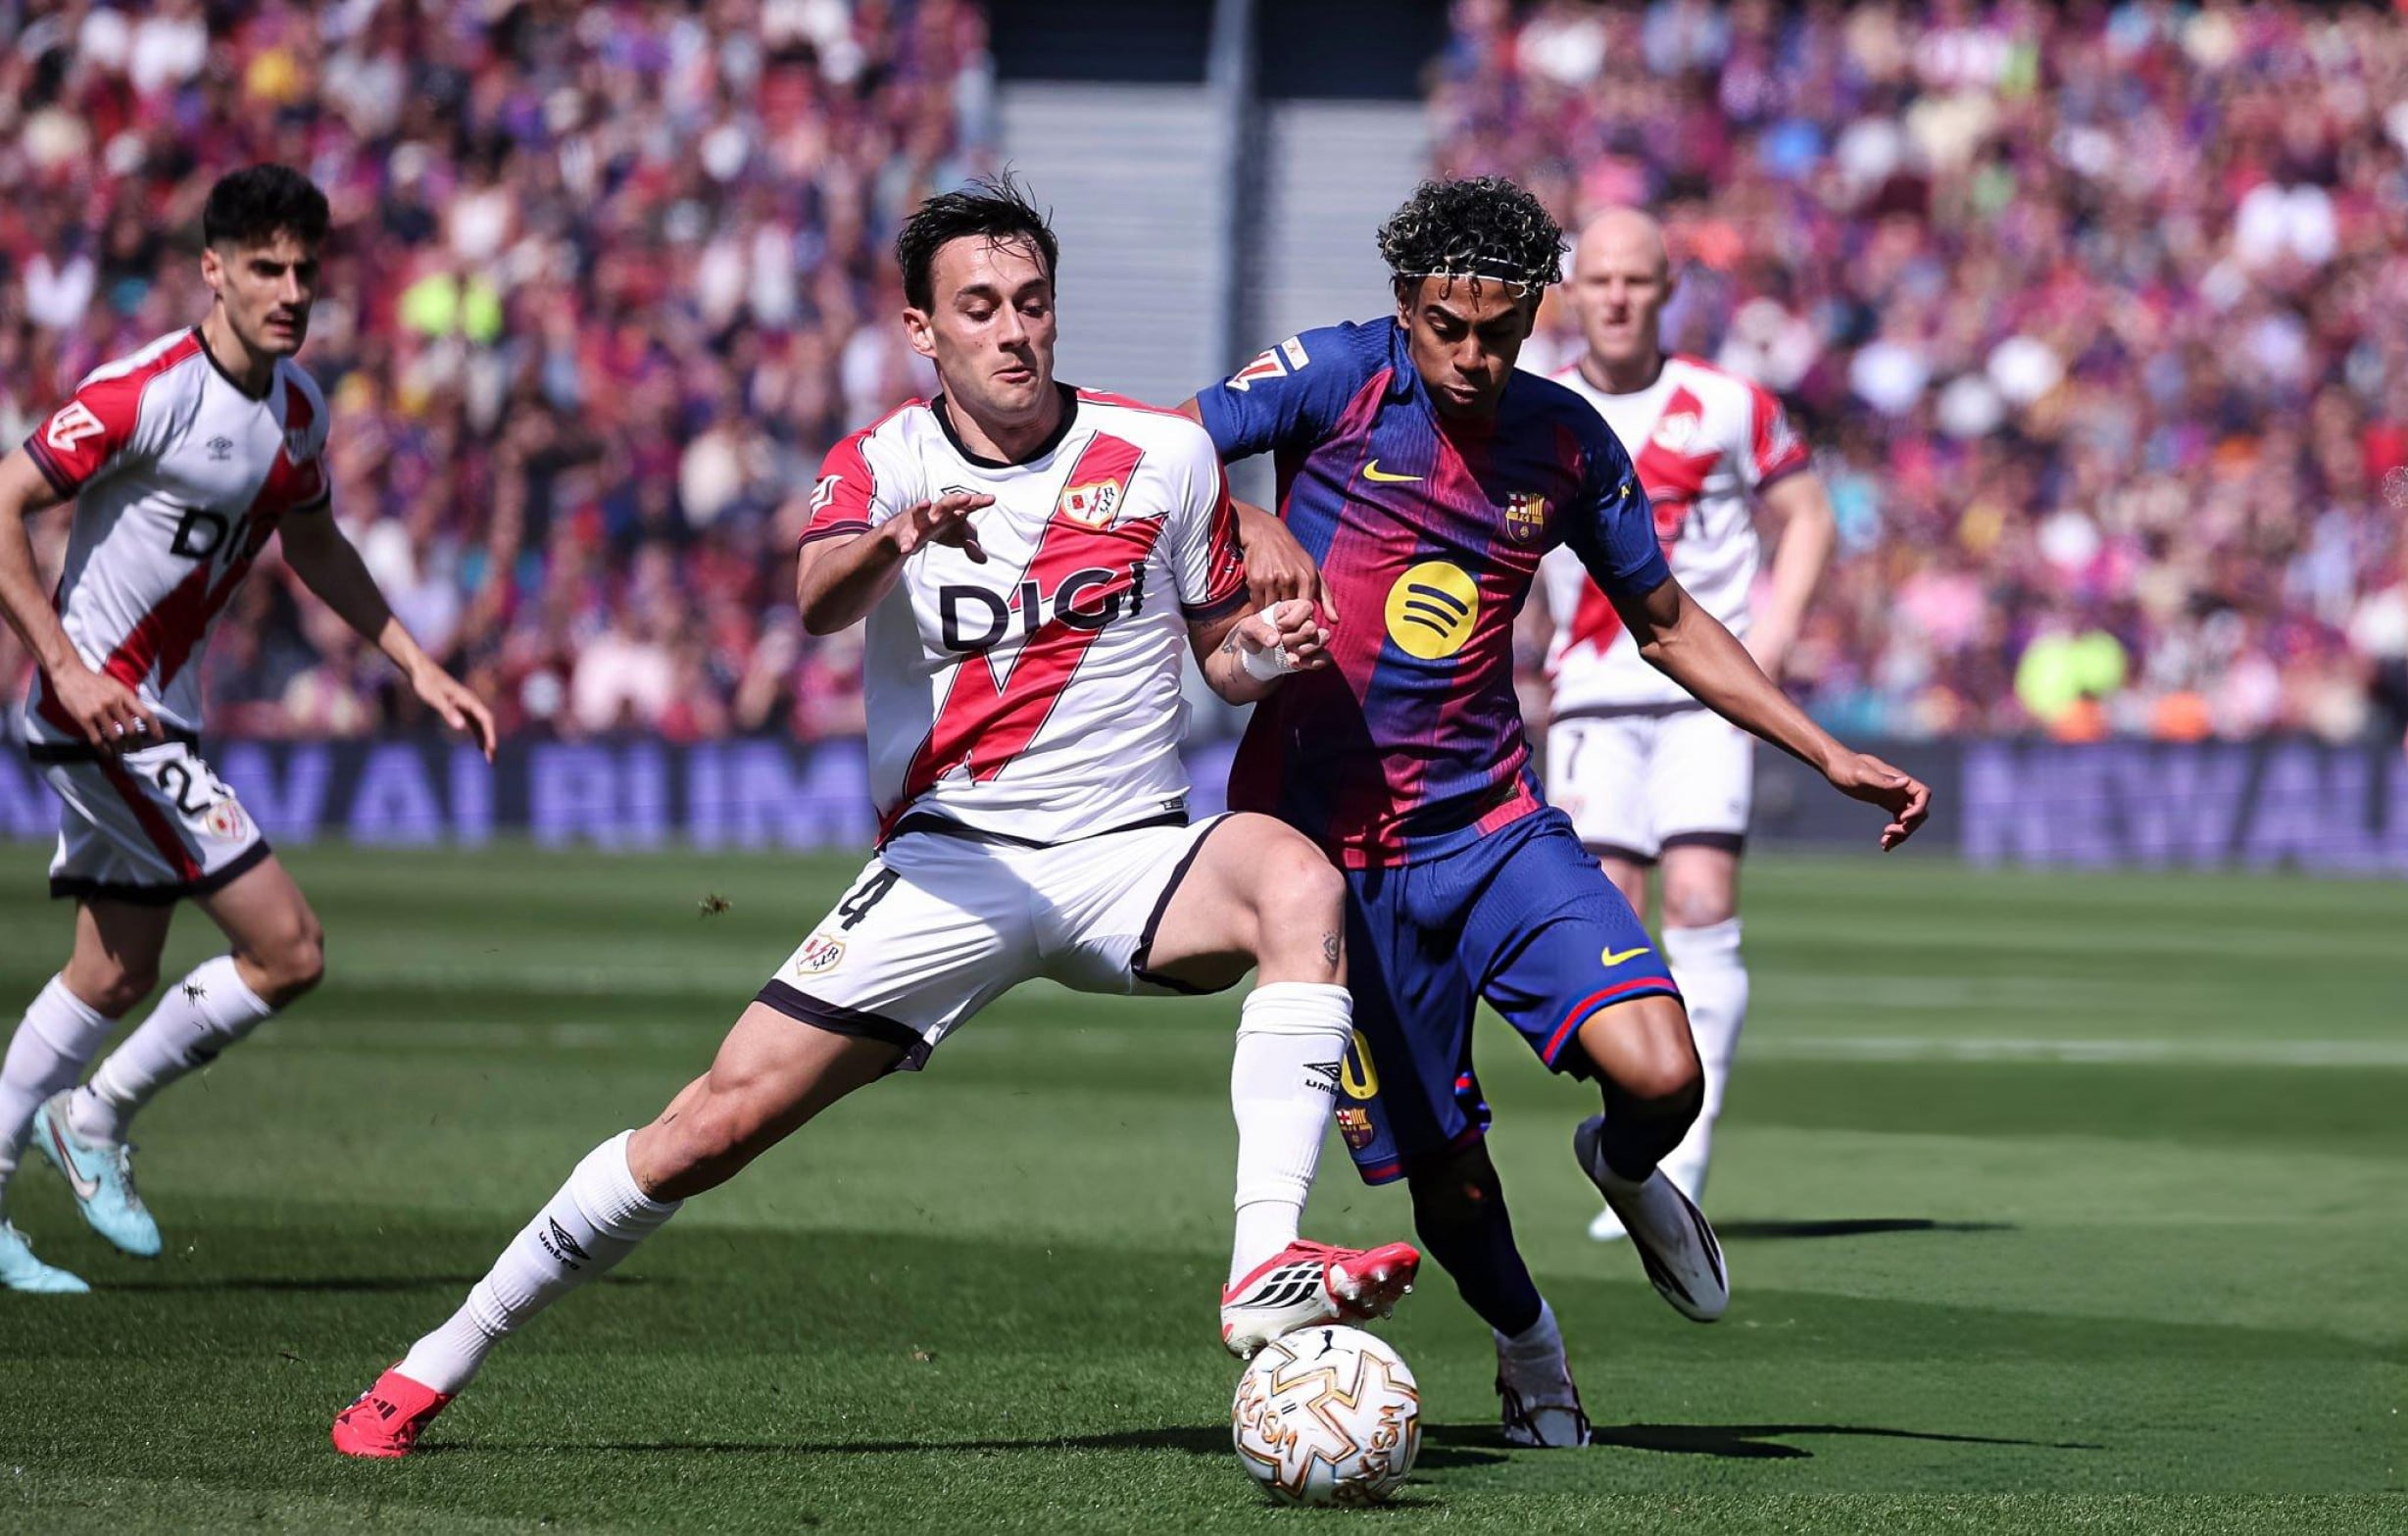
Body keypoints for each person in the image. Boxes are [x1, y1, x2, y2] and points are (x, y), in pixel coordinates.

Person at [329, 179, 1418, 1459]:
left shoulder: (1164, 456)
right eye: (979, 307)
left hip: (1128, 853)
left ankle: (1261, 1261)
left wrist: (1267, 652)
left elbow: (1220, 659)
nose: (1013, 330)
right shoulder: (883, 461)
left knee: (1297, 879)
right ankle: (435, 1360)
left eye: (1031, 303)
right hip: (950, 864)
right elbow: (815, 601)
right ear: (922, 329)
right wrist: (897, 539)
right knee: (707, 1127)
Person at [1183, 177, 1929, 1446]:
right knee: (1451, 1179)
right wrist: (1247, 512)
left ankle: (1622, 1165)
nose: (1473, 356)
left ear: (1536, 314)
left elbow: (1667, 620)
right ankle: (1529, 1344)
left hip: (1490, 824)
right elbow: (1153, 448)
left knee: (1666, 1073)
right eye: (1446, 327)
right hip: (1330, 865)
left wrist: (1820, 749)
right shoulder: (1333, 378)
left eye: (1499, 331)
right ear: (1403, 306)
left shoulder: (1569, 441)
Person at [0, 166, 497, 1294]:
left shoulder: (300, 410)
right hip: (103, 714)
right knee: (289, 948)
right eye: (265, 268)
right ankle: (96, 1115)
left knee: (113, 971)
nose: (290, 290)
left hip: (157, 715)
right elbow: (3, 498)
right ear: (212, 272)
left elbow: (313, 543)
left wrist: (416, 662)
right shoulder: (144, 393)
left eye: (304, 271)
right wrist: (65, 668)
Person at [1538, 208, 1839, 1239]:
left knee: (1702, 897)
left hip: (1704, 689)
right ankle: (1634, 1140)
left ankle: (1681, 1162)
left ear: (1668, 290)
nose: (1617, 297)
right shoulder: (1542, 409)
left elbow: (1808, 513)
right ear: (1571, 293)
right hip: (1590, 691)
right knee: (1611, 924)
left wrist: (1774, 638)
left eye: (1637, 279)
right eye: (1599, 280)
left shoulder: (1726, 403)